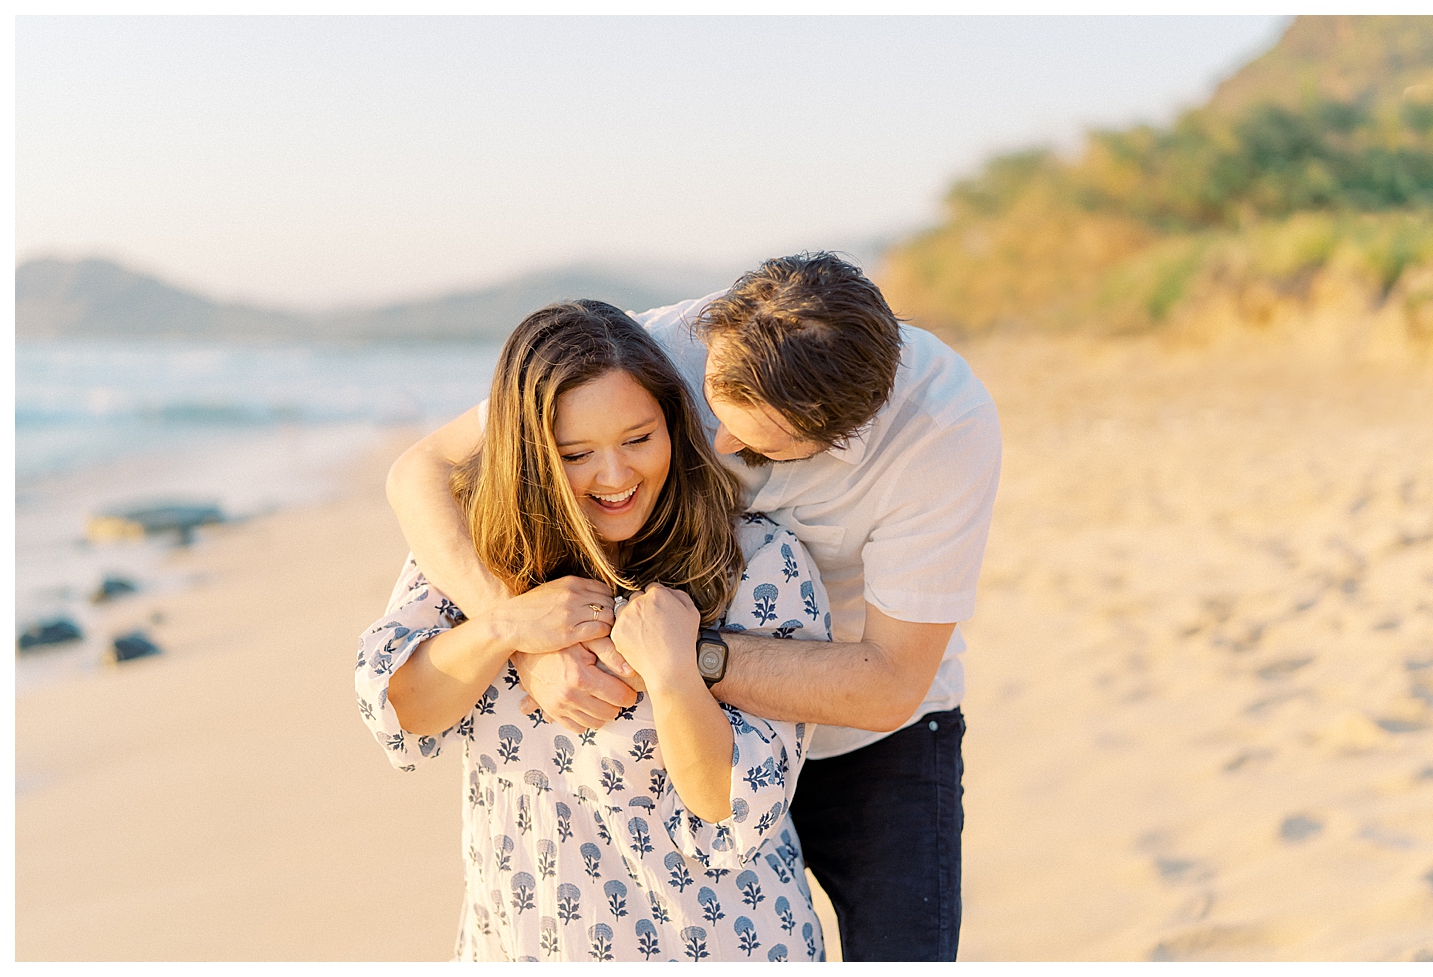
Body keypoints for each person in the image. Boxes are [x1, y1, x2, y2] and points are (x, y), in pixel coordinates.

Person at [387, 253, 1002, 961]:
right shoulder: (663, 349)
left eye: (758, 442)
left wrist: (678, 655)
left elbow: (890, 684)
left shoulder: (940, 431)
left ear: (843, 434)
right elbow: (420, 471)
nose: (720, 444)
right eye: (714, 406)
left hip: (871, 739)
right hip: (685, 733)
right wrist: (524, 638)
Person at [356, 300, 832, 962]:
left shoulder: (757, 562)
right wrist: (507, 627)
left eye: (639, 439)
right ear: (529, 452)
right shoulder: (476, 552)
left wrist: (673, 673)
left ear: (674, 422)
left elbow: (729, 813)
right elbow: (401, 712)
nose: (615, 477)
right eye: (576, 453)